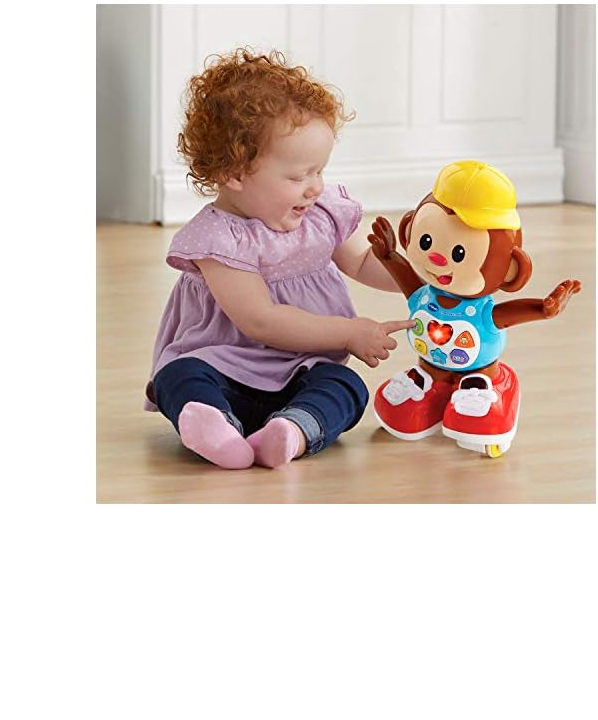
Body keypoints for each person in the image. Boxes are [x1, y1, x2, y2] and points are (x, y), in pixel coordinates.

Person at [144, 48, 413, 469]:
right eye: (298, 176)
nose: (314, 187)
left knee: (346, 385)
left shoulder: (321, 212)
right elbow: (262, 321)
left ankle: (292, 429)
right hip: (222, 368)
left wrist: (422, 277)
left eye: (319, 171)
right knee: (177, 376)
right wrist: (349, 332)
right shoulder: (217, 239)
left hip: (300, 368)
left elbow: (362, 261)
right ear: (234, 173)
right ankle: (213, 425)